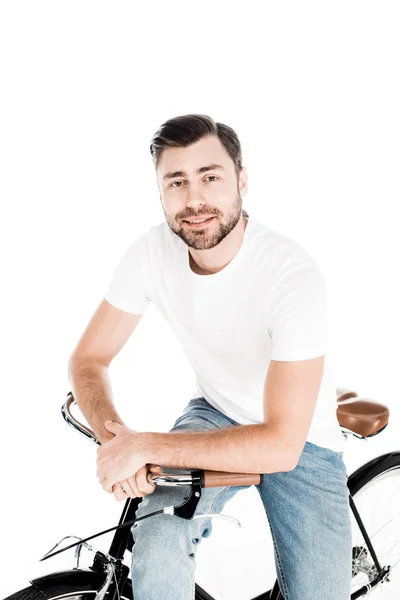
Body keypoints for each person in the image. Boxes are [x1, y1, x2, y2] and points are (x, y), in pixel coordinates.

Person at [68, 114, 352, 600]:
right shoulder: (151, 252)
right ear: (159, 192)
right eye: (176, 182)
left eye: (211, 177)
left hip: (301, 440)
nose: (194, 199)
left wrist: (147, 447)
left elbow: (281, 446)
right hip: (215, 414)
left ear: (241, 180)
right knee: (155, 540)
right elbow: (89, 358)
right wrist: (118, 440)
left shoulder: (292, 275)